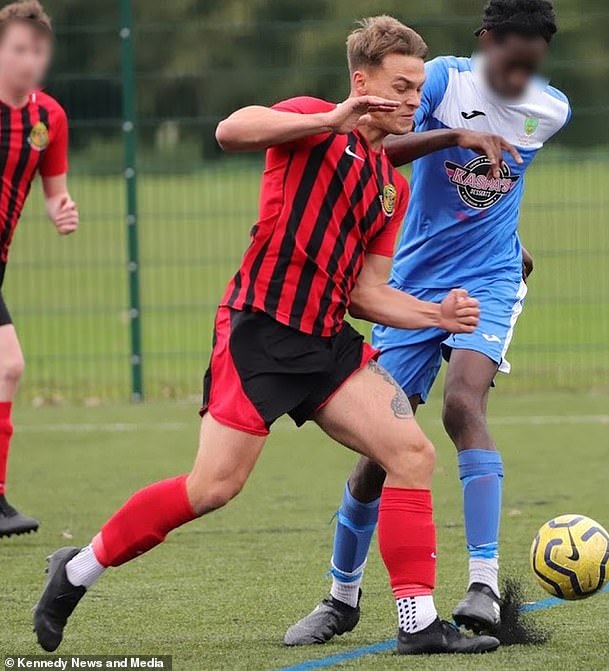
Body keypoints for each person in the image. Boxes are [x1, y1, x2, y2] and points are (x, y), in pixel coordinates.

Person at [34, 16, 497, 655]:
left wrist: (436, 317)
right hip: (260, 333)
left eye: (419, 90)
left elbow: (367, 292)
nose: (415, 102)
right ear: (363, 83)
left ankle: (417, 624)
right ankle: (77, 569)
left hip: (327, 341)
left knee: (412, 455)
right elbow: (231, 131)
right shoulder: (310, 122)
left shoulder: (391, 186)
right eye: (402, 87)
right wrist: (331, 118)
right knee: (213, 488)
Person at [285, 0, 571, 646]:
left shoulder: (551, 110)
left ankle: (483, 586)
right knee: (378, 449)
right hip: (412, 284)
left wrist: (510, 243)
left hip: (492, 281)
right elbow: (376, 145)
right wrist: (453, 134)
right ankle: (341, 597)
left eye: (530, 68)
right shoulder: (442, 81)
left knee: (463, 403)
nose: (516, 79)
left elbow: (505, 185)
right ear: (485, 41)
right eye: (508, 62)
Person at [0, 0, 78, 538]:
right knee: (8, 365)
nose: (29, 60)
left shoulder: (47, 118)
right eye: (18, 49)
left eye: (37, 50)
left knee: (7, 368)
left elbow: (54, 193)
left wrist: (61, 210)